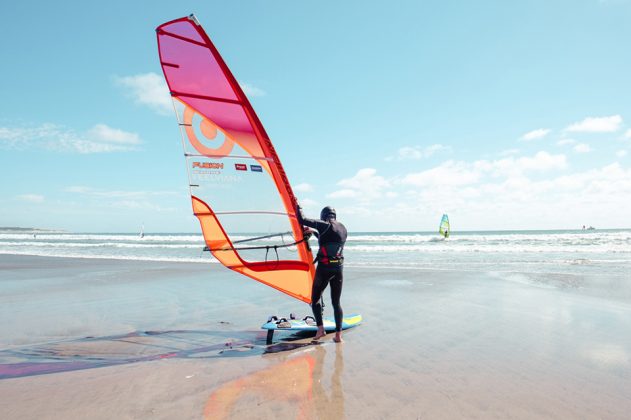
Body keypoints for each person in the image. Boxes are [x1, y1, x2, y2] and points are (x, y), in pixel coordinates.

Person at [296, 205, 348, 342]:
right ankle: (338, 336)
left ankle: (320, 329)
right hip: (338, 269)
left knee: (315, 300)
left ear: (323, 216)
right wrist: (313, 231)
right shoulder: (343, 228)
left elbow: (302, 219)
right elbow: (326, 237)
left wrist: (297, 206)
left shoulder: (324, 224)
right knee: (336, 303)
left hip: (324, 269)